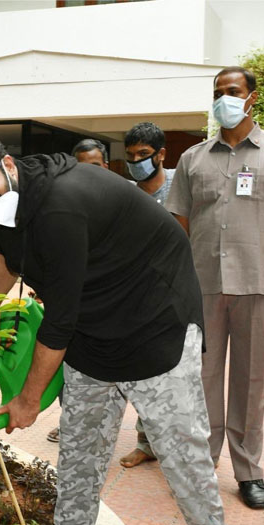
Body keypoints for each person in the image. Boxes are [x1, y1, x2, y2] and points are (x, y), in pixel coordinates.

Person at [0, 131, 240, 525]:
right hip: (94, 332)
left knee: (183, 454)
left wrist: (28, 400)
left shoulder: (60, 205)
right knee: (79, 449)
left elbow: (59, 321)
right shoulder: (11, 205)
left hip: (154, 325)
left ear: (7, 165)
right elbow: (5, 255)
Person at [167, 66, 263, 509]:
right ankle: (201, 465)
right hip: (201, 283)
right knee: (200, 379)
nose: (224, 98)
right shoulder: (193, 159)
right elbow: (179, 221)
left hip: (256, 283)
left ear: (251, 98)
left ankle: (248, 471)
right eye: (217, 92)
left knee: (251, 380)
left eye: (233, 91)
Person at [46, 138, 110, 444]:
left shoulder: (118, 202)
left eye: (94, 167)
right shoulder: (64, 206)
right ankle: (69, 422)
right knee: (68, 369)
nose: (88, 175)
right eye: (81, 168)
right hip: (74, 305)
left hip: (109, 304)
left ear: (106, 167)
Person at [120, 122, 176, 468]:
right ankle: (146, 441)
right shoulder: (126, 192)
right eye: (130, 156)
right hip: (135, 297)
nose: (136, 162)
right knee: (142, 373)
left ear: (161, 155)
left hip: (174, 295)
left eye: (143, 155)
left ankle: (174, 444)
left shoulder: (178, 187)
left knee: (175, 377)